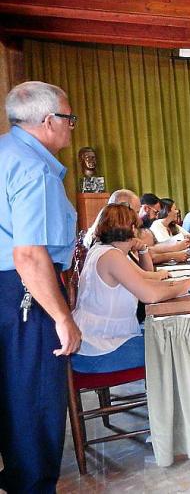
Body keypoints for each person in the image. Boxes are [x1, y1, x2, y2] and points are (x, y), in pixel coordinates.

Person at [0, 81, 82, 493]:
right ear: (49, 121)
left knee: (11, 394)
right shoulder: (35, 169)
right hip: (25, 292)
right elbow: (30, 255)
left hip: (7, 290)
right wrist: (63, 317)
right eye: (69, 118)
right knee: (35, 401)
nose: (71, 126)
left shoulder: (4, 152)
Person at [71, 204, 190, 374]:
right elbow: (150, 295)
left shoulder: (102, 250)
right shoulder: (112, 256)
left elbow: (144, 279)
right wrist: (185, 286)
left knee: (171, 334)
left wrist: (178, 284)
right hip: (99, 349)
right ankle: (170, 391)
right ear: (131, 229)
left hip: (94, 341)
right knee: (180, 344)